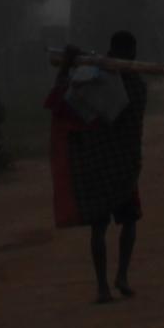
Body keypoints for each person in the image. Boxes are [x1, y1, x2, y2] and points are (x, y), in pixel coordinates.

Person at [57, 30, 149, 304]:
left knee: (100, 227)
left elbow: (65, 99)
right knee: (129, 221)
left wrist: (66, 66)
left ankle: (103, 286)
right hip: (123, 165)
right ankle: (121, 276)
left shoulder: (93, 79)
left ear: (110, 52)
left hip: (98, 164)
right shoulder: (137, 84)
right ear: (132, 55)